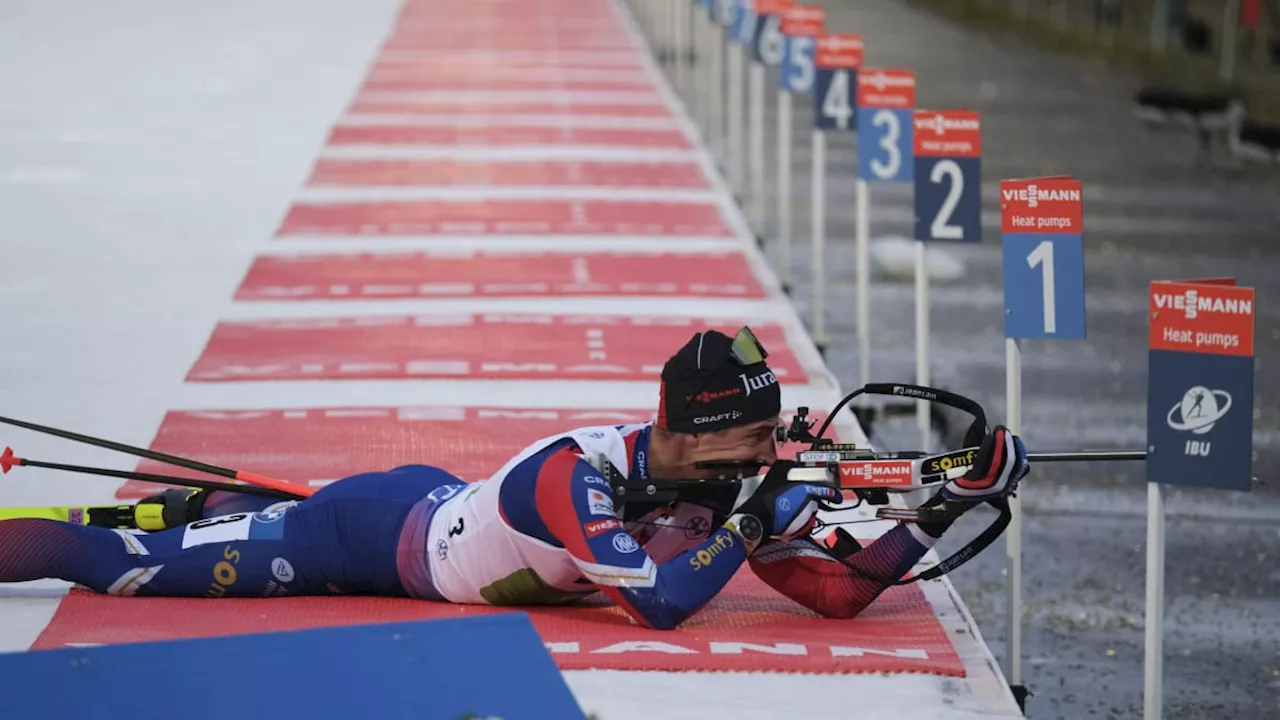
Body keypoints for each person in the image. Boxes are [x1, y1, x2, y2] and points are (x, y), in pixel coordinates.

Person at [0, 327, 1028, 629]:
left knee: (222, 517)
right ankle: (209, 519)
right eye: (758, 439)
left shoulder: (728, 484)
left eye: (777, 436)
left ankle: (223, 508)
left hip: (434, 502)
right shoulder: (569, 475)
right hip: (364, 541)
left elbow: (842, 592)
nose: (777, 453)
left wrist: (952, 497)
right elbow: (665, 603)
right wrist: (757, 515)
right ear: (696, 435)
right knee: (113, 561)